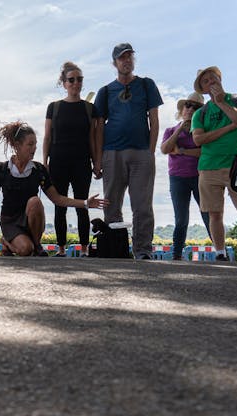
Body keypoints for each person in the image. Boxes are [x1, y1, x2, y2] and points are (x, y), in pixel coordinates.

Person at [0, 122, 106, 255]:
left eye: (35, 144)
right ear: (17, 145)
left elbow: (57, 199)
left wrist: (84, 203)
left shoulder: (39, 170)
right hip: (10, 220)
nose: (34, 148)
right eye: (30, 144)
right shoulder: (1, 169)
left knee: (35, 201)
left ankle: (37, 245)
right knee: (24, 251)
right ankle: (7, 242)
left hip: (30, 219)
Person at [94, 43, 163, 260]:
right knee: (111, 206)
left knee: (142, 206)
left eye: (129, 57)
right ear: (114, 63)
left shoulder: (146, 85)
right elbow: (98, 128)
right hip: (112, 153)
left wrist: (150, 153)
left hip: (141, 153)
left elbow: (154, 120)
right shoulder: (105, 91)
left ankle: (143, 250)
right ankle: (116, 250)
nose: (126, 61)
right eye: (122, 58)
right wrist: (97, 160)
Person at [42, 61, 99, 257]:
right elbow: (47, 136)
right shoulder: (54, 107)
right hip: (58, 161)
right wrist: (44, 162)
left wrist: (96, 162)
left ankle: (84, 248)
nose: (76, 83)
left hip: (82, 162)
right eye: (72, 80)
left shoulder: (89, 108)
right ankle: (61, 248)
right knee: (60, 205)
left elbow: (92, 137)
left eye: (79, 79)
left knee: (83, 205)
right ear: (64, 83)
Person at [190, 66, 237, 261]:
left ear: (220, 78)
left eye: (213, 78)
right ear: (203, 89)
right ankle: (220, 253)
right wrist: (230, 127)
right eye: (206, 81)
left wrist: (222, 103)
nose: (211, 82)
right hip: (208, 167)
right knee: (214, 214)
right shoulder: (200, 114)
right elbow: (198, 140)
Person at [160, 92, 210, 260]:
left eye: (195, 107)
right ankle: (176, 255)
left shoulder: (202, 131)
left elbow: (205, 152)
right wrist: (180, 129)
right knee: (181, 219)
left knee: (208, 215)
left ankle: (219, 251)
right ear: (181, 109)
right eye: (187, 105)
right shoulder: (170, 130)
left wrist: (182, 151)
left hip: (199, 177)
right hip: (177, 179)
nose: (190, 109)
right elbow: (165, 149)